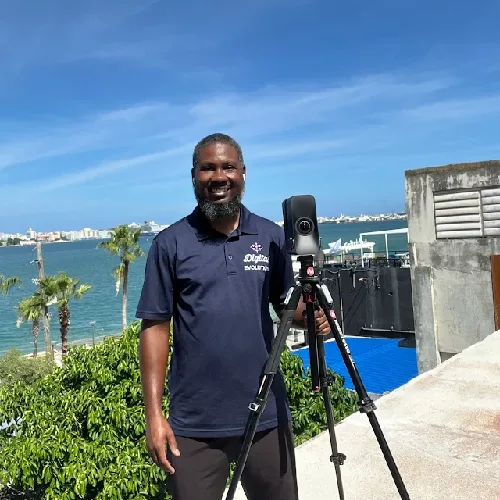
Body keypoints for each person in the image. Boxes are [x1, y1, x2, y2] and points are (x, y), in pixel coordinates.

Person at [136, 133, 331, 500]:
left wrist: (313, 315)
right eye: (207, 168)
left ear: (243, 173)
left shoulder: (270, 236)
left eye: (228, 167)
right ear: (194, 176)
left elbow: (287, 303)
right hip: (193, 427)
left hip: (266, 414)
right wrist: (154, 414)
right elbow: (155, 327)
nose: (218, 177)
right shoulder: (170, 243)